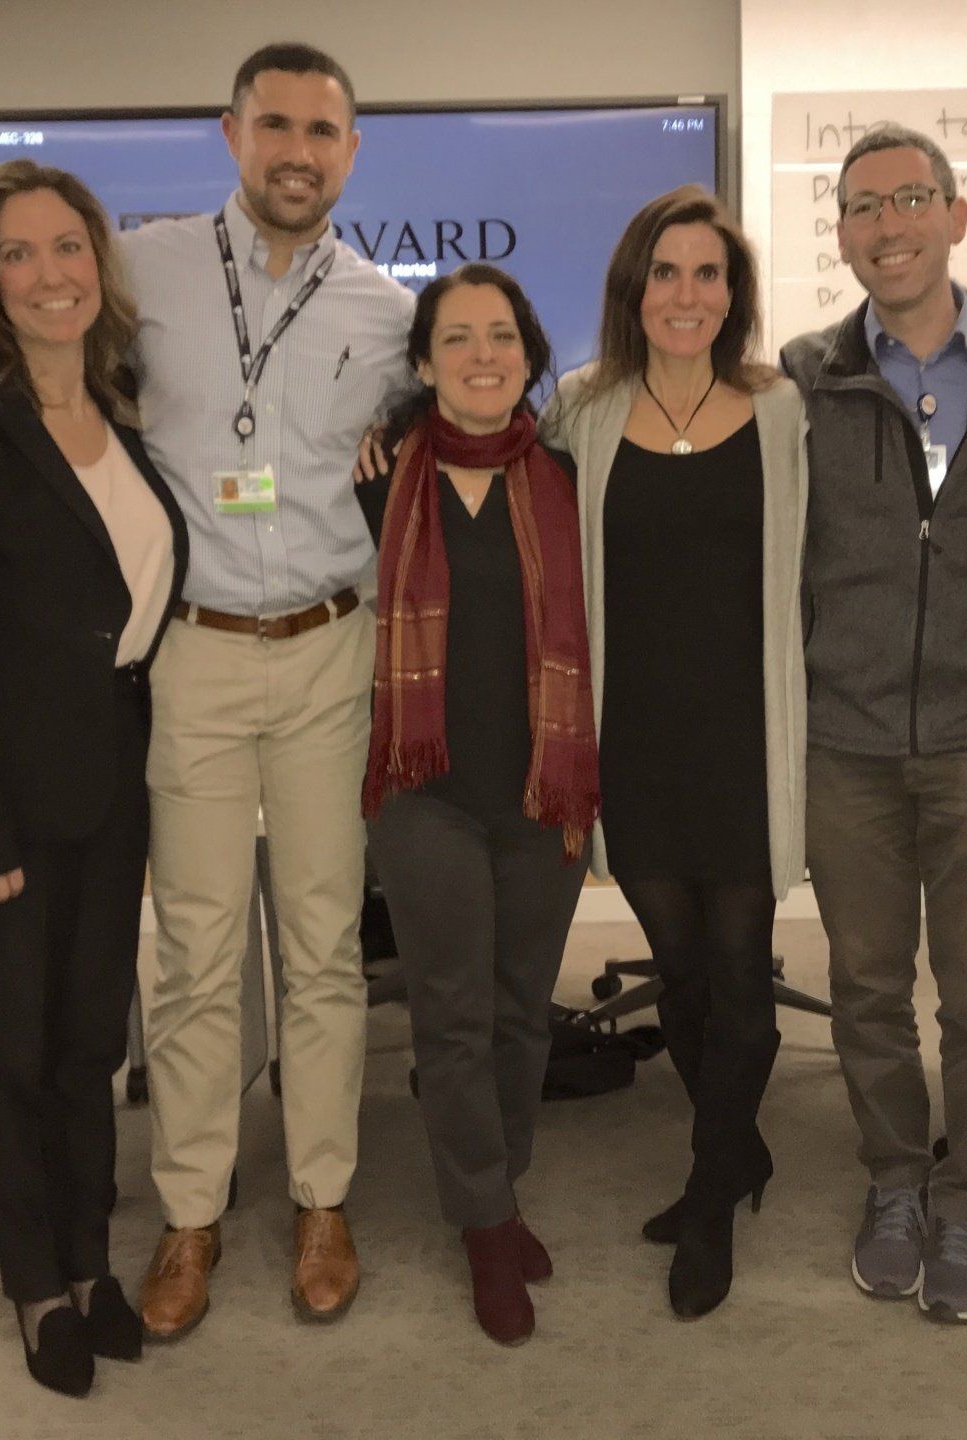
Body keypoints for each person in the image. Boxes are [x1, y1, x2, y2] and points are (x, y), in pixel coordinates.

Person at [0, 43, 415, 1337]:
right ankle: (192, 1212)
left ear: (350, 151)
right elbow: (21, 396)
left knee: (327, 945)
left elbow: (479, 425)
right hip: (196, 657)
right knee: (196, 953)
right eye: (271, 123)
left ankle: (323, 1197)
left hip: (336, 648)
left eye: (321, 131)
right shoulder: (143, 275)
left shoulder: (390, 315)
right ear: (232, 135)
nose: (295, 149)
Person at [0, 159, 187, 1396]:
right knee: (10, 1055)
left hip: (114, 786)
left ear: (98, 266)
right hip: (1, 804)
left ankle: (94, 1267)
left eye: (68, 248)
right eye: (19, 253)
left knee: (88, 1046)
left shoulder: (122, 407)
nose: (49, 274)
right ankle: (35, 1290)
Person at [778, 127, 967, 1323]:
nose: (886, 226)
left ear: (954, 215)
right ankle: (895, 1180)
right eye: (861, 207)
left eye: (908, 200)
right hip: (846, 743)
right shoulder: (802, 375)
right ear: (840, 234)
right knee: (868, 986)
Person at [542, 185, 808, 1320]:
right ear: (632, 292)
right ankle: (734, 1153)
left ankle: (710, 1192)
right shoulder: (582, 410)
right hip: (637, 738)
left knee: (742, 976)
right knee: (685, 972)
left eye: (708, 274)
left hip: (749, 734)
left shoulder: (786, 409)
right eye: (666, 273)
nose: (686, 295)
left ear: (734, 296)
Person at [352, 264, 597, 1346]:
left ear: (529, 353)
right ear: (422, 362)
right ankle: (487, 1225)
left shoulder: (570, 475)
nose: (483, 354)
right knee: (452, 1017)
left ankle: (497, 1184)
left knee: (521, 1014)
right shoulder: (378, 481)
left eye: (502, 335)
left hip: (540, 792)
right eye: (458, 338)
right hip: (426, 793)